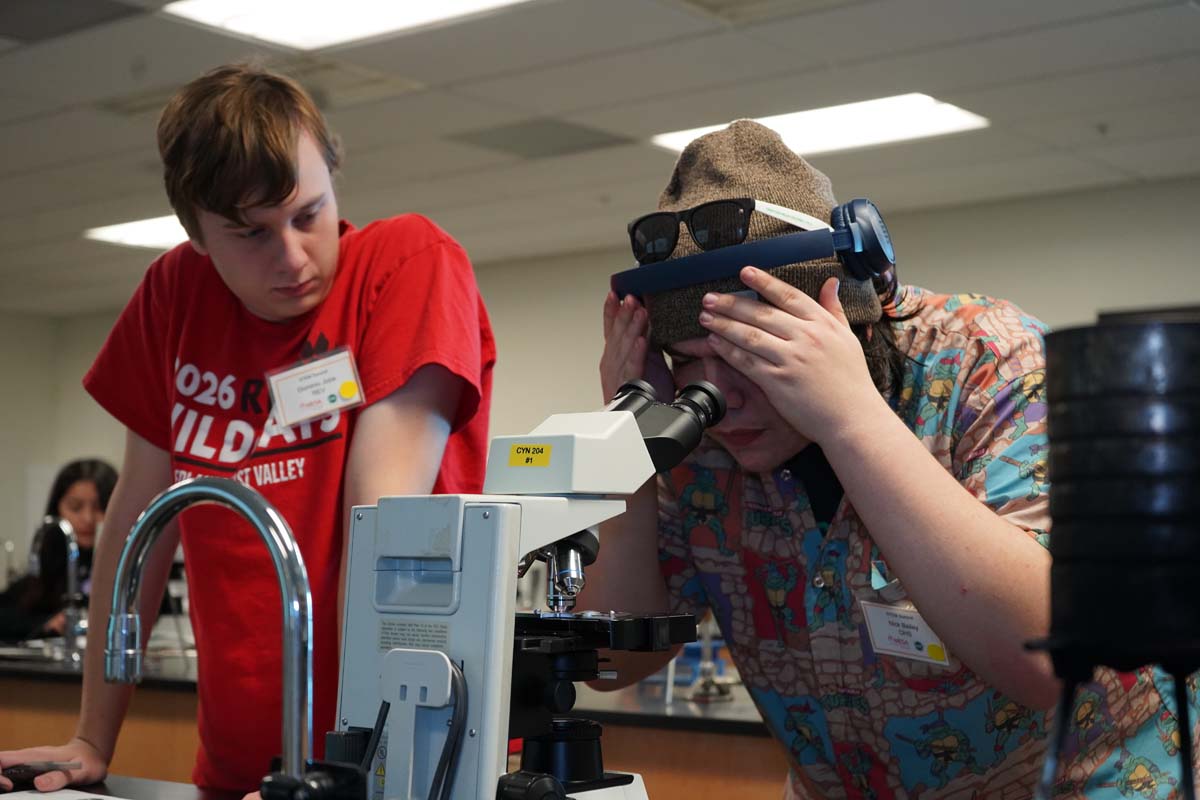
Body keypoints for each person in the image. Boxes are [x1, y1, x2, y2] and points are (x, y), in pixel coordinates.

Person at [585, 120, 1178, 798]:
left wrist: (849, 418)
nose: (723, 400)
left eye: (753, 358)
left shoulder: (985, 362)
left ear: (843, 323)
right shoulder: (703, 438)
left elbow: (1044, 659)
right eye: (691, 363)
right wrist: (631, 441)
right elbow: (608, 662)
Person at [0, 63, 495, 796]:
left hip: (399, 758)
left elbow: (383, 527)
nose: (293, 257)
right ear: (196, 234)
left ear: (332, 174)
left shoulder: (406, 263)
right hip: (241, 765)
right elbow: (137, 527)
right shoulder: (174, 295)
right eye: (250, 234)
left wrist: (342, 772)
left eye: (308, 214)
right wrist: (90, 737)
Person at [0, 459, 118, 642]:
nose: (87, 518)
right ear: (58, 508)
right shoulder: (47, 569)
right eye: (75, 507)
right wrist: (47, 624)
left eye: (99, 508)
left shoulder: (128, 570)